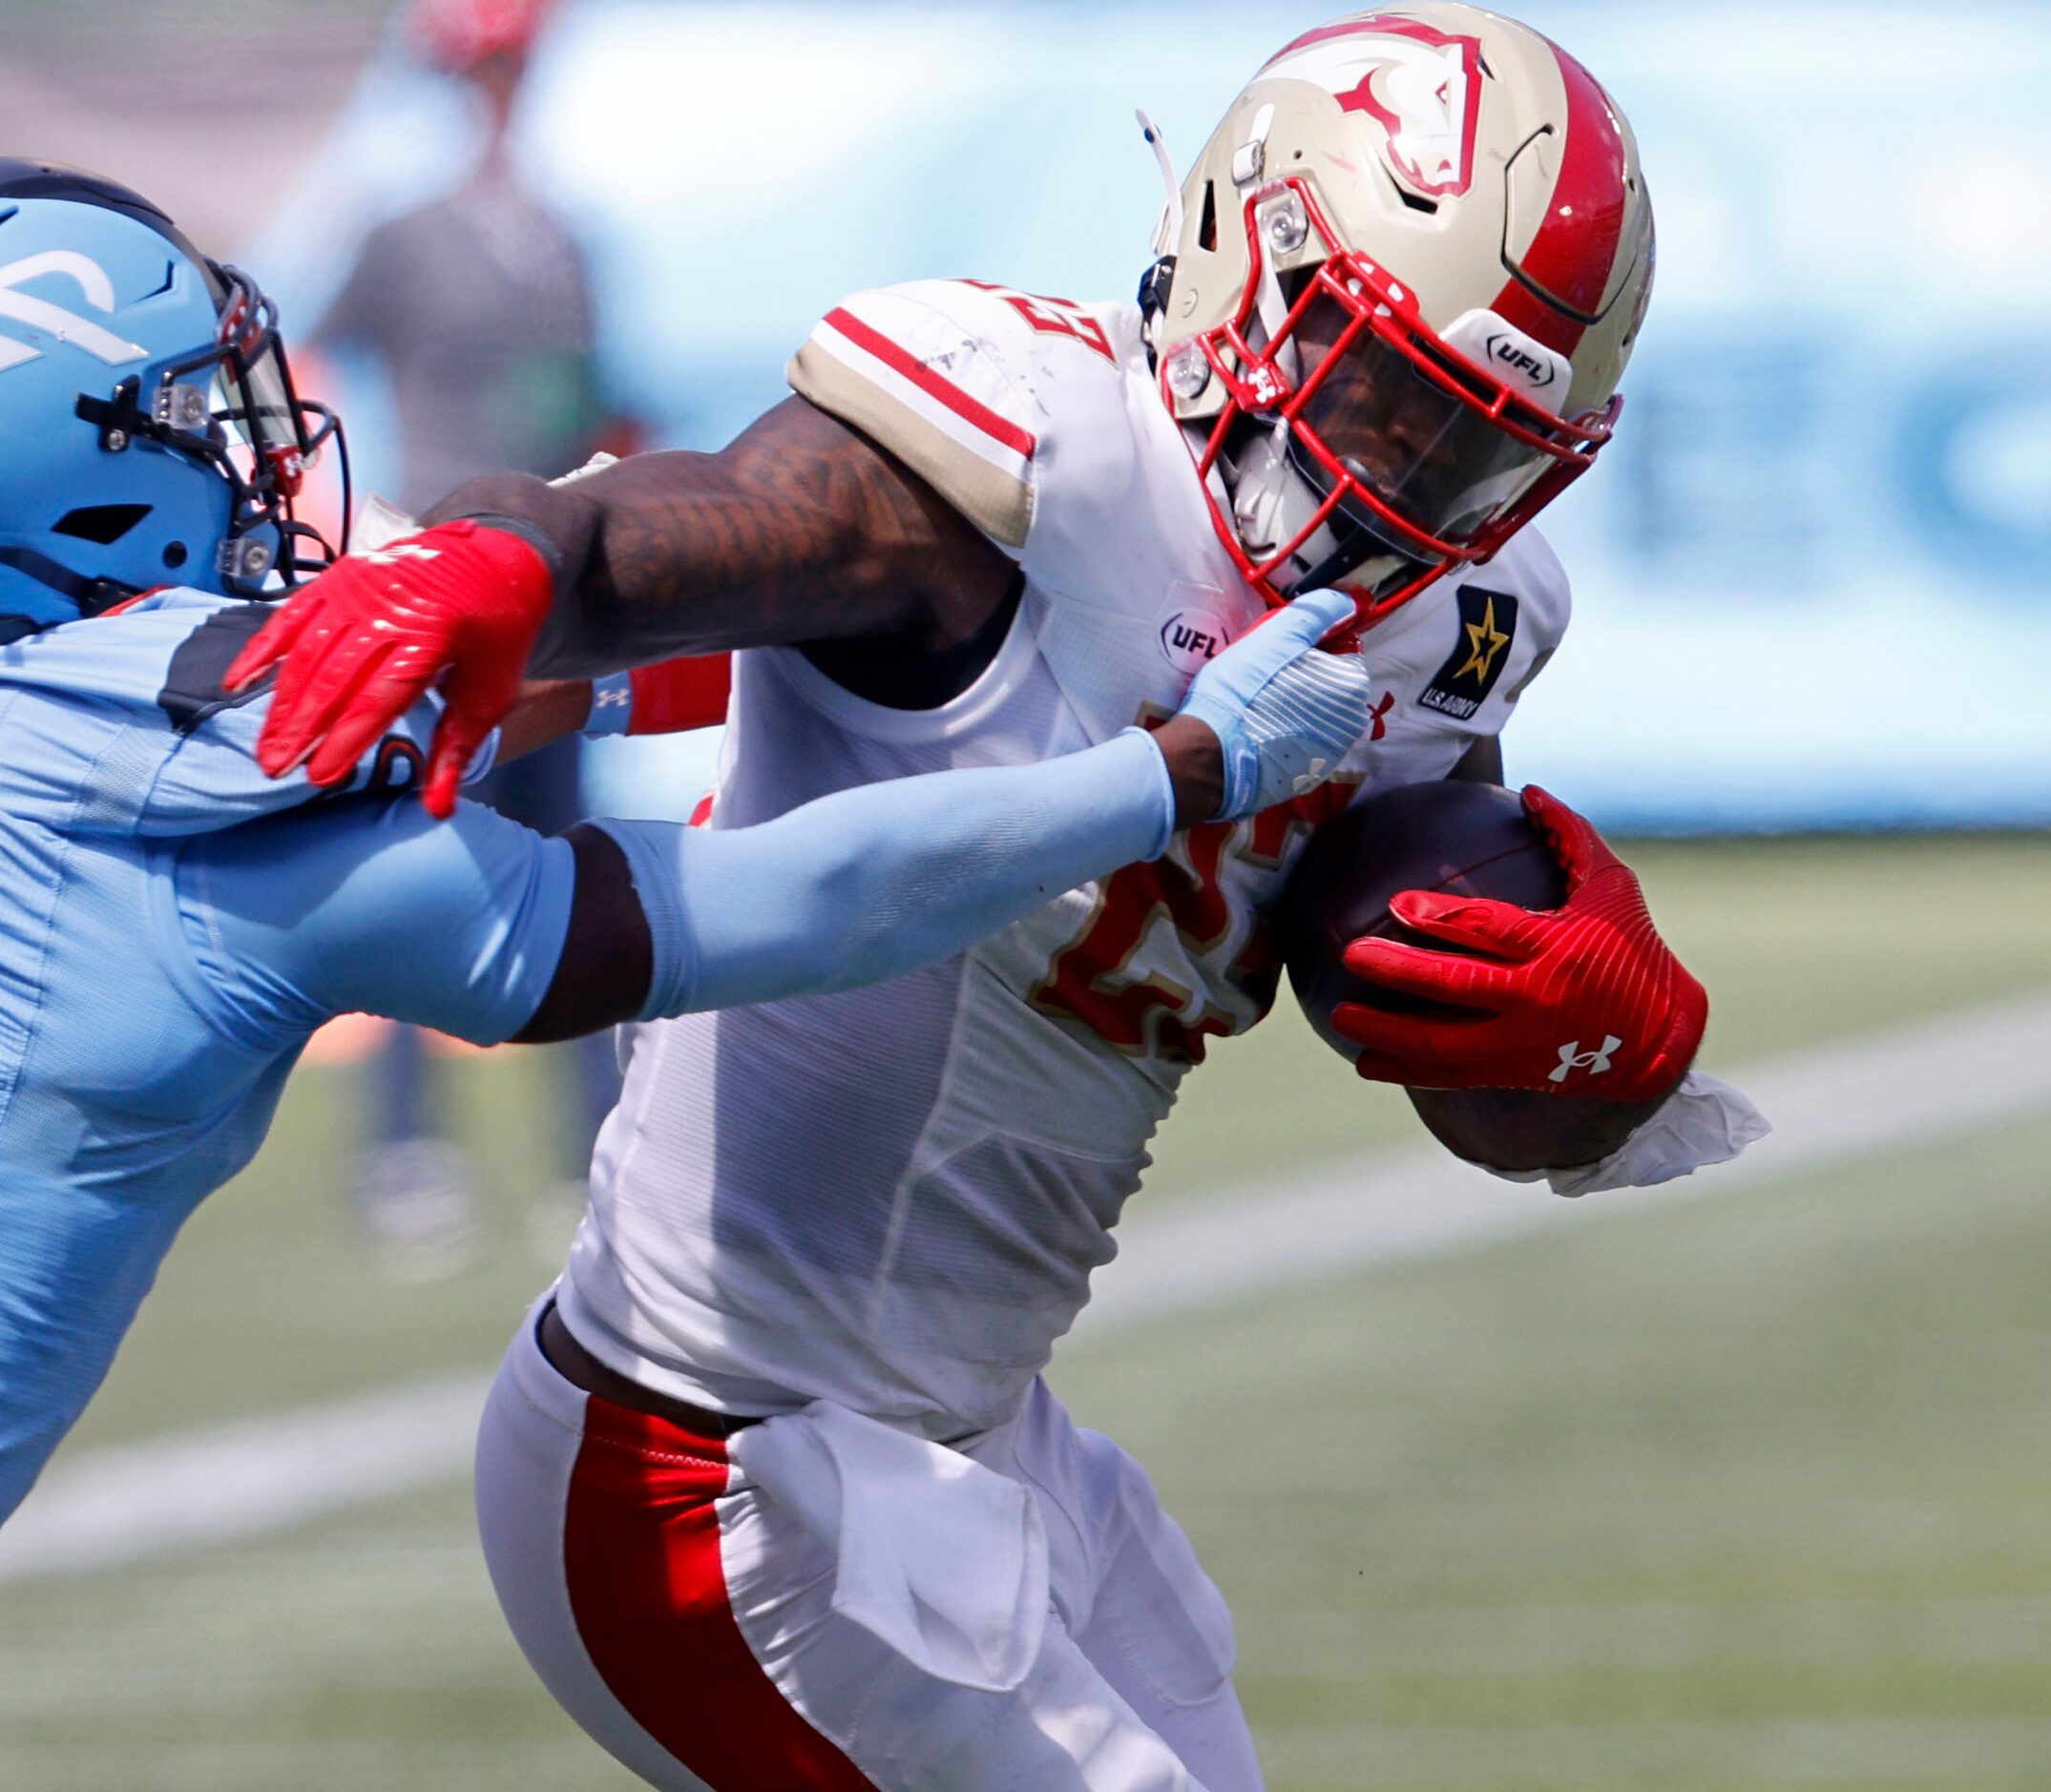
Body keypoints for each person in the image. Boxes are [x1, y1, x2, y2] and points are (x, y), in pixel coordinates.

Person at [0, 157, 1367, 1792]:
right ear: (66, 489)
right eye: (188, 424)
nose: (253, 463)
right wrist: (1177, 769)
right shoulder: (228, 815)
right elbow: (814, 905)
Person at [228, 8, 1768, 1786]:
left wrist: (1596, 1044)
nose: (1403, 494)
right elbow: (676, 530)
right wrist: (505, 557)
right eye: (1378, 394)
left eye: (1474, 451)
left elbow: (1432, 1015)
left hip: (961, 1439)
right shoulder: (1022, 457)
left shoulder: (1454, 627)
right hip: (703, 1457)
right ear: (1240, 253)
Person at [309, 0, 636, 1270]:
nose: (501, 89)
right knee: (417, 855)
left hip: (554, 583)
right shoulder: (400, 229)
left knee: (569, 860)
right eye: (486, 68)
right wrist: (354, 527)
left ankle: (591, 1148)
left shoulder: (562, 233)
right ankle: (403, 1147)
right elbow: (311, 355)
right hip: (442, 568)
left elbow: (597, 390)